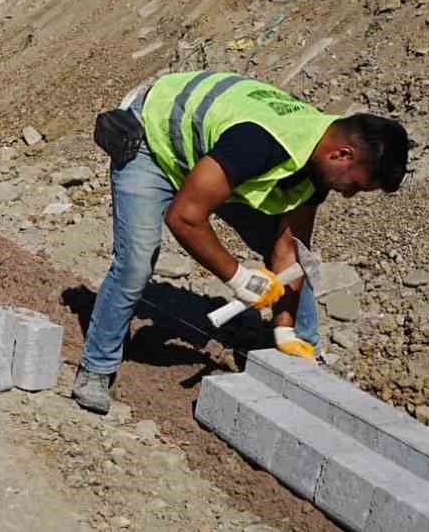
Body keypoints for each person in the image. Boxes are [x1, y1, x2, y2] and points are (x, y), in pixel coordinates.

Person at [72, 71, 409, 414]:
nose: (350, 195)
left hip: (215, 162)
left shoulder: (318, 161)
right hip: (154, 145)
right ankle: (96, 368)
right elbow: (185, 216)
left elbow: (290, 253)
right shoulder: (261, 143)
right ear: (342, 155)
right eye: (355, 185)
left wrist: (284, 330)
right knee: (136, 263)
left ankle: (301, 356)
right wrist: (238, 277)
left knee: (298, 261)